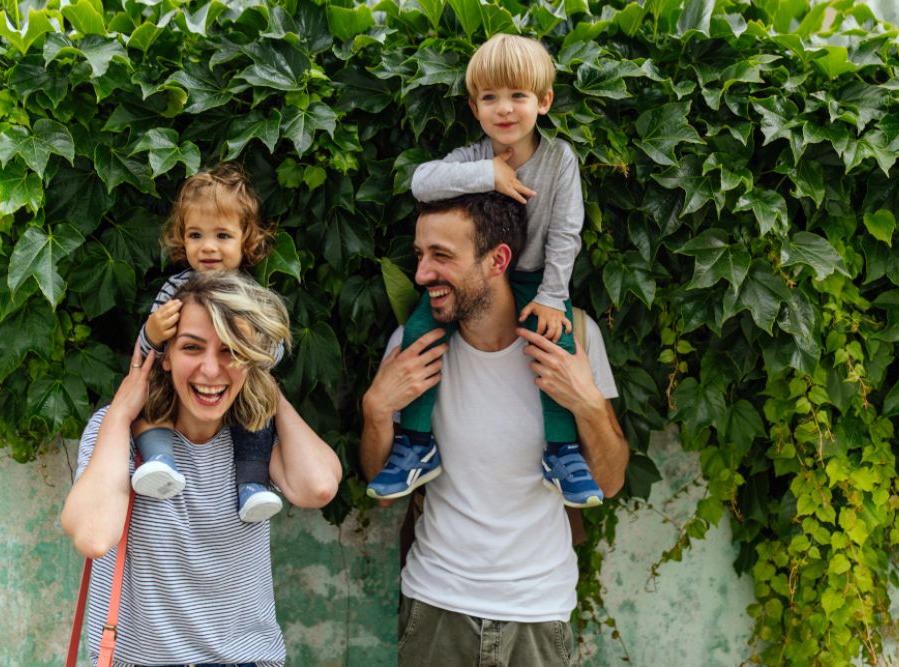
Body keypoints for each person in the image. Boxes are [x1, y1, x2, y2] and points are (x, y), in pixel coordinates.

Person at [360, 193, 630, 666]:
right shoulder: (413, 345)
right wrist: (376, 410)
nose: (422, 275)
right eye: (420, 256)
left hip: (539, 613)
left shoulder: (574, 337)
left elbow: (608, 481)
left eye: (441, 256)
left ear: (497, 260)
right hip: (436, 606)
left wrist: (586, 404)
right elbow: (384, 492)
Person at [366, 33, 602, 508]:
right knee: (418, 331)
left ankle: (563, 452)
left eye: (518, 95)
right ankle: (414, 442)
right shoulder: (474, 157)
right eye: (490, 98)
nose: (505, 109)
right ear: (475, 108)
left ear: (544, 101)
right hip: (477, 277)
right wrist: (489, 175)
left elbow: (566, 231)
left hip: (537, 280)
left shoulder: (559, 160)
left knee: (554, 347)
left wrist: (554, 296)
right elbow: (422, 182)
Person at [62, 271, 342, 667]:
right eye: (192, 347)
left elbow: (319, 487)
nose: (211, 370)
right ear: (166, 356)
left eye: (231, 350)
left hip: (245, 659)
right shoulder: (119, 431)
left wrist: (263, 385)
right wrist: (121, 413)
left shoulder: (254, 437)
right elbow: (93, 536)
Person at [132, 162, 288, 522]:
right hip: (181, 394)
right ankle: (160, 460)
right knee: (151, 396)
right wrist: (153, 333)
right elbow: (146, 354)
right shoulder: (174, 290)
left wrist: (256, 349)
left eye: (222, 235)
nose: (208, 247)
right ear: (181, 238)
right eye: (196, 235)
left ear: (246, 239)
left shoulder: (251, 296)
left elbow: (275, 352)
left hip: (236, 390)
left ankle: (251, 486)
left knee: (260, 409)